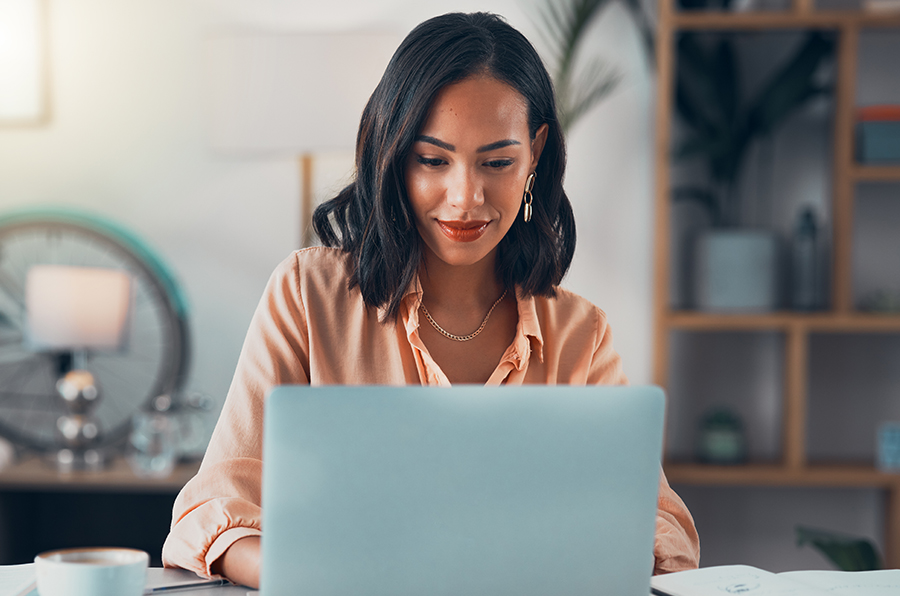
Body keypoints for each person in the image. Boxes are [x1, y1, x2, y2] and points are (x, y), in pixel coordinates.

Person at [162, 12, 700, 588]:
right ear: (393, 156)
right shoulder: (306, 296)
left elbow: (658, 526)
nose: (465, 197)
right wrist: (313, 575)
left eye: (497, 162)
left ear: (536, 154)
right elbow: (212, 512)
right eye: (432, 160)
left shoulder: (579, 334)